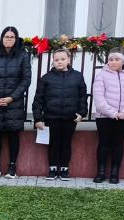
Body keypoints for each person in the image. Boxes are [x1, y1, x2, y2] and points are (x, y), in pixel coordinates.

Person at [0, 26, 31, 179]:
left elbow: (26, 80)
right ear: (2, 38)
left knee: (12, 135)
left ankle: (12, 167)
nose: (9, 39)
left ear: (16, 39)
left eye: (12, 37)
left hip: (13, 103)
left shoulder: (23, 56)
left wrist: (11, 98)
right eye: (6, 36)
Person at [32, 49, 87, 181]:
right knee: (53, 143)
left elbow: (82, 97)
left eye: (62, 59)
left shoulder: (77, 76)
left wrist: (82, 113)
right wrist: (38, 118)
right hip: (52, 117)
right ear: (53, 62)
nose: (59, 62)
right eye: (56, 60)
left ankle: (64, 169)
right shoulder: (46, 78)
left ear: (69, 59)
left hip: (70, 118)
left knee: (66, 143)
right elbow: (38, 99)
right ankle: (52, 169)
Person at [92, 48, 124, 184]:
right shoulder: (101, 75)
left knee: (118, 144)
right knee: (103, 144)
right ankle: (101, 172)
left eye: (117, 59)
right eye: (111, 59)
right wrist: (112, 113)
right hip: (104, 116)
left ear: (123, 60)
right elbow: (98, 97)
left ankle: (114, 173)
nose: (113, 62)